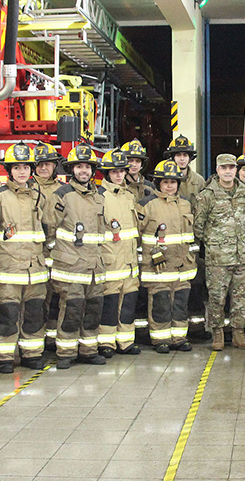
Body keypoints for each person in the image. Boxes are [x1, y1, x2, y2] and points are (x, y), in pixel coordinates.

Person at [42, 144, 108, 368]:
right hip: (70, 266)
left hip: (94, 267)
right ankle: (66, 353)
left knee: (93, 309)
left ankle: (89, 351)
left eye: (87, 167)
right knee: (71, 309)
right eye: (79, 167)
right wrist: (58, 255)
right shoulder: (61, 195)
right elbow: (49, 229)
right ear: (72, 170)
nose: (83, 171)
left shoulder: (99, 195)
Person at [0, 142, 49, 373]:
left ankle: (32, 354)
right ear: (9, 170)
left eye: (25, 167)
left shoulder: (38, 196)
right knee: (8, 313)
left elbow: (47, 228)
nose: (22, 172)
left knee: (34, 313)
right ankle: (3, 357)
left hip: (35, 268)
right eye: (16, 167)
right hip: (8, 269)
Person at [195, 153, 245, 350]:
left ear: (236, 169)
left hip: (241, 257)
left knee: (240, 298)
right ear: (217, 170)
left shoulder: (243, 192)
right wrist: (214, 245)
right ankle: (217, 333)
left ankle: (238, 333)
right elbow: (198, 226)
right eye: (224, 168)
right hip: (218, 258)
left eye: (231, 167)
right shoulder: (207, 195)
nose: (228, 171)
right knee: (217, 298)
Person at [138, 160, 197, 353]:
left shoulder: (186, 204)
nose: (170, 185)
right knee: (160, 303)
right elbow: (136, 235)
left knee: (180, 303)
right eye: (165, 182)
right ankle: (160, 339)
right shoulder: (146, 205)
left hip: (182, 266)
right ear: (158, 183)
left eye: (173, 181)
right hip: (158, 268)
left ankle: (179, 337)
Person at [97, 150, 142, 357]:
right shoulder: (99, 197)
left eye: (121, 171)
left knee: (128, 303)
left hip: (130, 262)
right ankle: (106, 343)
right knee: (109, 304)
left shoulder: (129, 197)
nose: (118, 175)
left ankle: (126, 341)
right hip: (110, 262)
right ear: (106, 173)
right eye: (114, 171)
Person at [32, 142, 64, 350]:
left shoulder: (63, 190)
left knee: (57, 300)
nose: (44, 168)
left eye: (48, 164)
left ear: (55, 166)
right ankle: (35, 342)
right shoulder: (27, 188)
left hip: (60, 255)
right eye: (40, 164)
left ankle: (52, 340)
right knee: (36, 301)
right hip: (35, 256)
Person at [165, 135, 206, 200]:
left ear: (190, 158)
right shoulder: (163, 179)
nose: (182, 159)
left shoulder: (199, 180)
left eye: (185, 155)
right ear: (173, 158)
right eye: (178, 155)